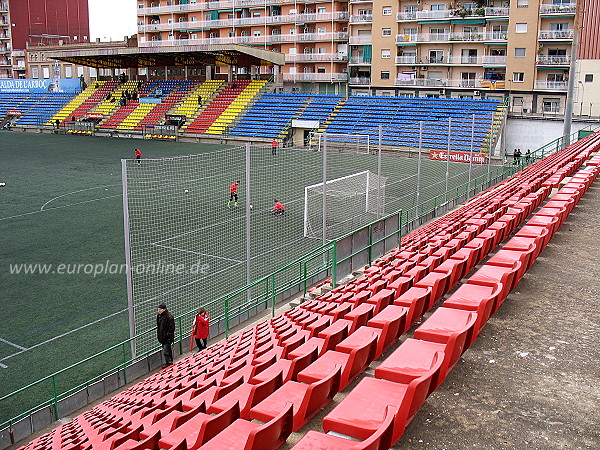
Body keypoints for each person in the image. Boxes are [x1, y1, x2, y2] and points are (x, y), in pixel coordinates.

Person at [156, 303, 175, 368]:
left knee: (166, 351)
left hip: (167, 338)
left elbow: (171, 328)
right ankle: (169, 363)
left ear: (164, 309)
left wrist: (168, 336)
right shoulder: (159, 316)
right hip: (162, 337)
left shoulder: (169, 317)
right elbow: (159, 326)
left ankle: (169, 364)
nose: (159, 310)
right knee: (167, 350)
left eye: (160, 309)